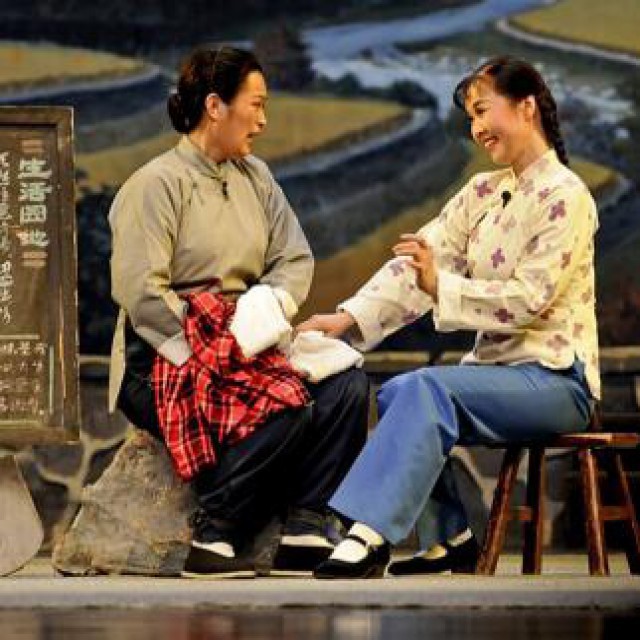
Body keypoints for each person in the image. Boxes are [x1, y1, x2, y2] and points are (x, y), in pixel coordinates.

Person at [297, 56, 599, 578]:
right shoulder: (481, 192)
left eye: (482, 110)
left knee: (425, 390)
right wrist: (347, 318)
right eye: (470, 117)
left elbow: (530, 298)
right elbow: (416, 266)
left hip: (556, 379)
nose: (476, 127)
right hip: (499, 376)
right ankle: (450, 540)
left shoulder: (567, 196)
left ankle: (366, 533)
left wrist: (443, 286)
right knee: (398, 392)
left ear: (526, 107)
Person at [107, 46, 369, 579]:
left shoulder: (257, 177)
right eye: (256, 104)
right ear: (214, 106)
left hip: (250, 338)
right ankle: (216, 535)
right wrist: (216, 347)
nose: (264, 119)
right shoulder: (155, 184)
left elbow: (293, 258)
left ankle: (304, 527)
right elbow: (142, 291)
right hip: (163, 353)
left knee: (347, 389)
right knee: (282, 402)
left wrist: (264, 314)